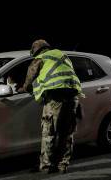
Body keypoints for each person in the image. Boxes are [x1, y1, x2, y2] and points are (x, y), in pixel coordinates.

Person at [18, 39, 83, 173]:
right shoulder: (61, 54)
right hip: (73, 96)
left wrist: (25, 88)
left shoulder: (41, 58)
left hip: (56, 98)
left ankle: (46, 165)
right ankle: (63, 165)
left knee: (49, 131)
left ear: (36, 51)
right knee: (67, 133)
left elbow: (31, 76)